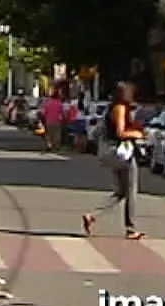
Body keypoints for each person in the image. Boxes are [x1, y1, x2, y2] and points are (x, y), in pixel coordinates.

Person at [83, 81, 145, 240]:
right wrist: (136, 134)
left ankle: (92, 215)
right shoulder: (120, 108)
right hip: (122, 154)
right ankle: (131, 229)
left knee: (120, 193)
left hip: (115, 154)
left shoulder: (112, 107)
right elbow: (120, 132)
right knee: (131, 192)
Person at [42, 83, 68, 151]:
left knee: (49, 134)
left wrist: (44, 120)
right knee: (57, 134)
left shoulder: (48, 103)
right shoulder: (59, 103)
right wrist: (64, 119)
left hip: (48, 121)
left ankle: (49, 145)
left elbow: (44, 113)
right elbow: (62, 113)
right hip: (57, 121)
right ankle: (56, 146)